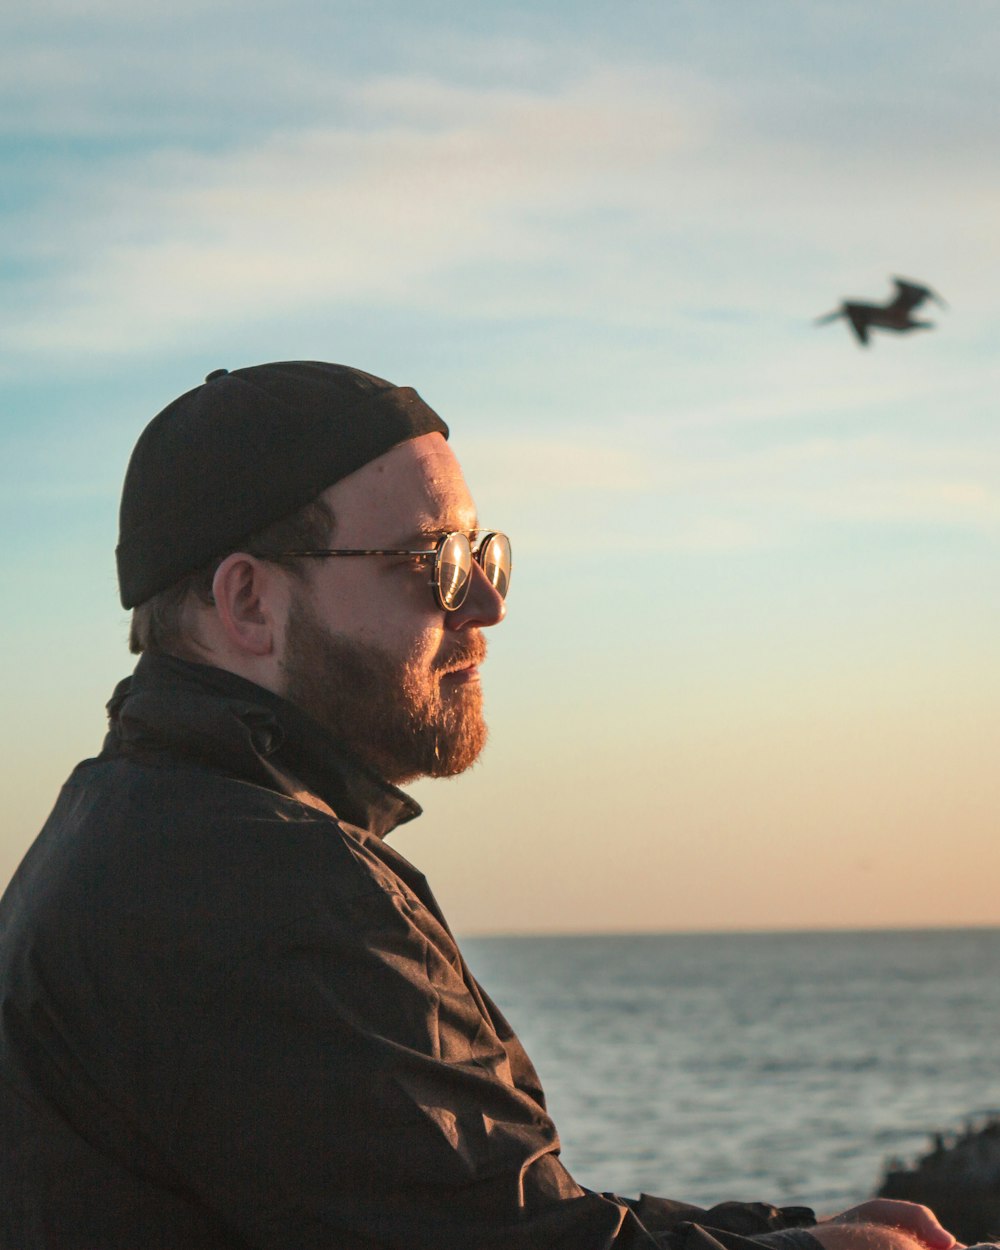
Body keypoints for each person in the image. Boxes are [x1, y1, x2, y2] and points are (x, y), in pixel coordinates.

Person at [0, 362, 957, 1250]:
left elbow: (472, 1209)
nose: (486, 606)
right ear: (249, 603)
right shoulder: (264, 883)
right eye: (432, 561)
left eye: (482, 553)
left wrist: (781, 1231)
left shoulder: (119, 823)